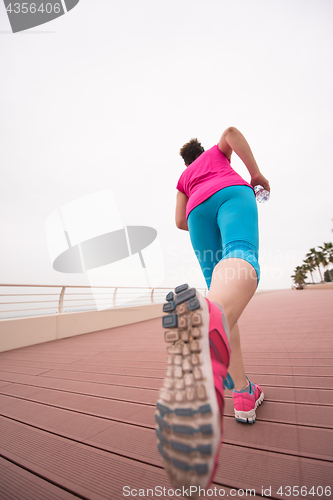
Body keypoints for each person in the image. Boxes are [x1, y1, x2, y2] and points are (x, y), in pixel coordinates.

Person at [155, 126, 270, 494]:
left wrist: (195, 199)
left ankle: (242, 393)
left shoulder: (184, 177)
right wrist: (254, 175)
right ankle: (211, 316)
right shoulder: (215, 156)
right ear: (202, 152)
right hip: (230, 196)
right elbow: (232, 131)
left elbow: (179, 222)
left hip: (197, 213)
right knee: (240, 254)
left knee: (219, 291)